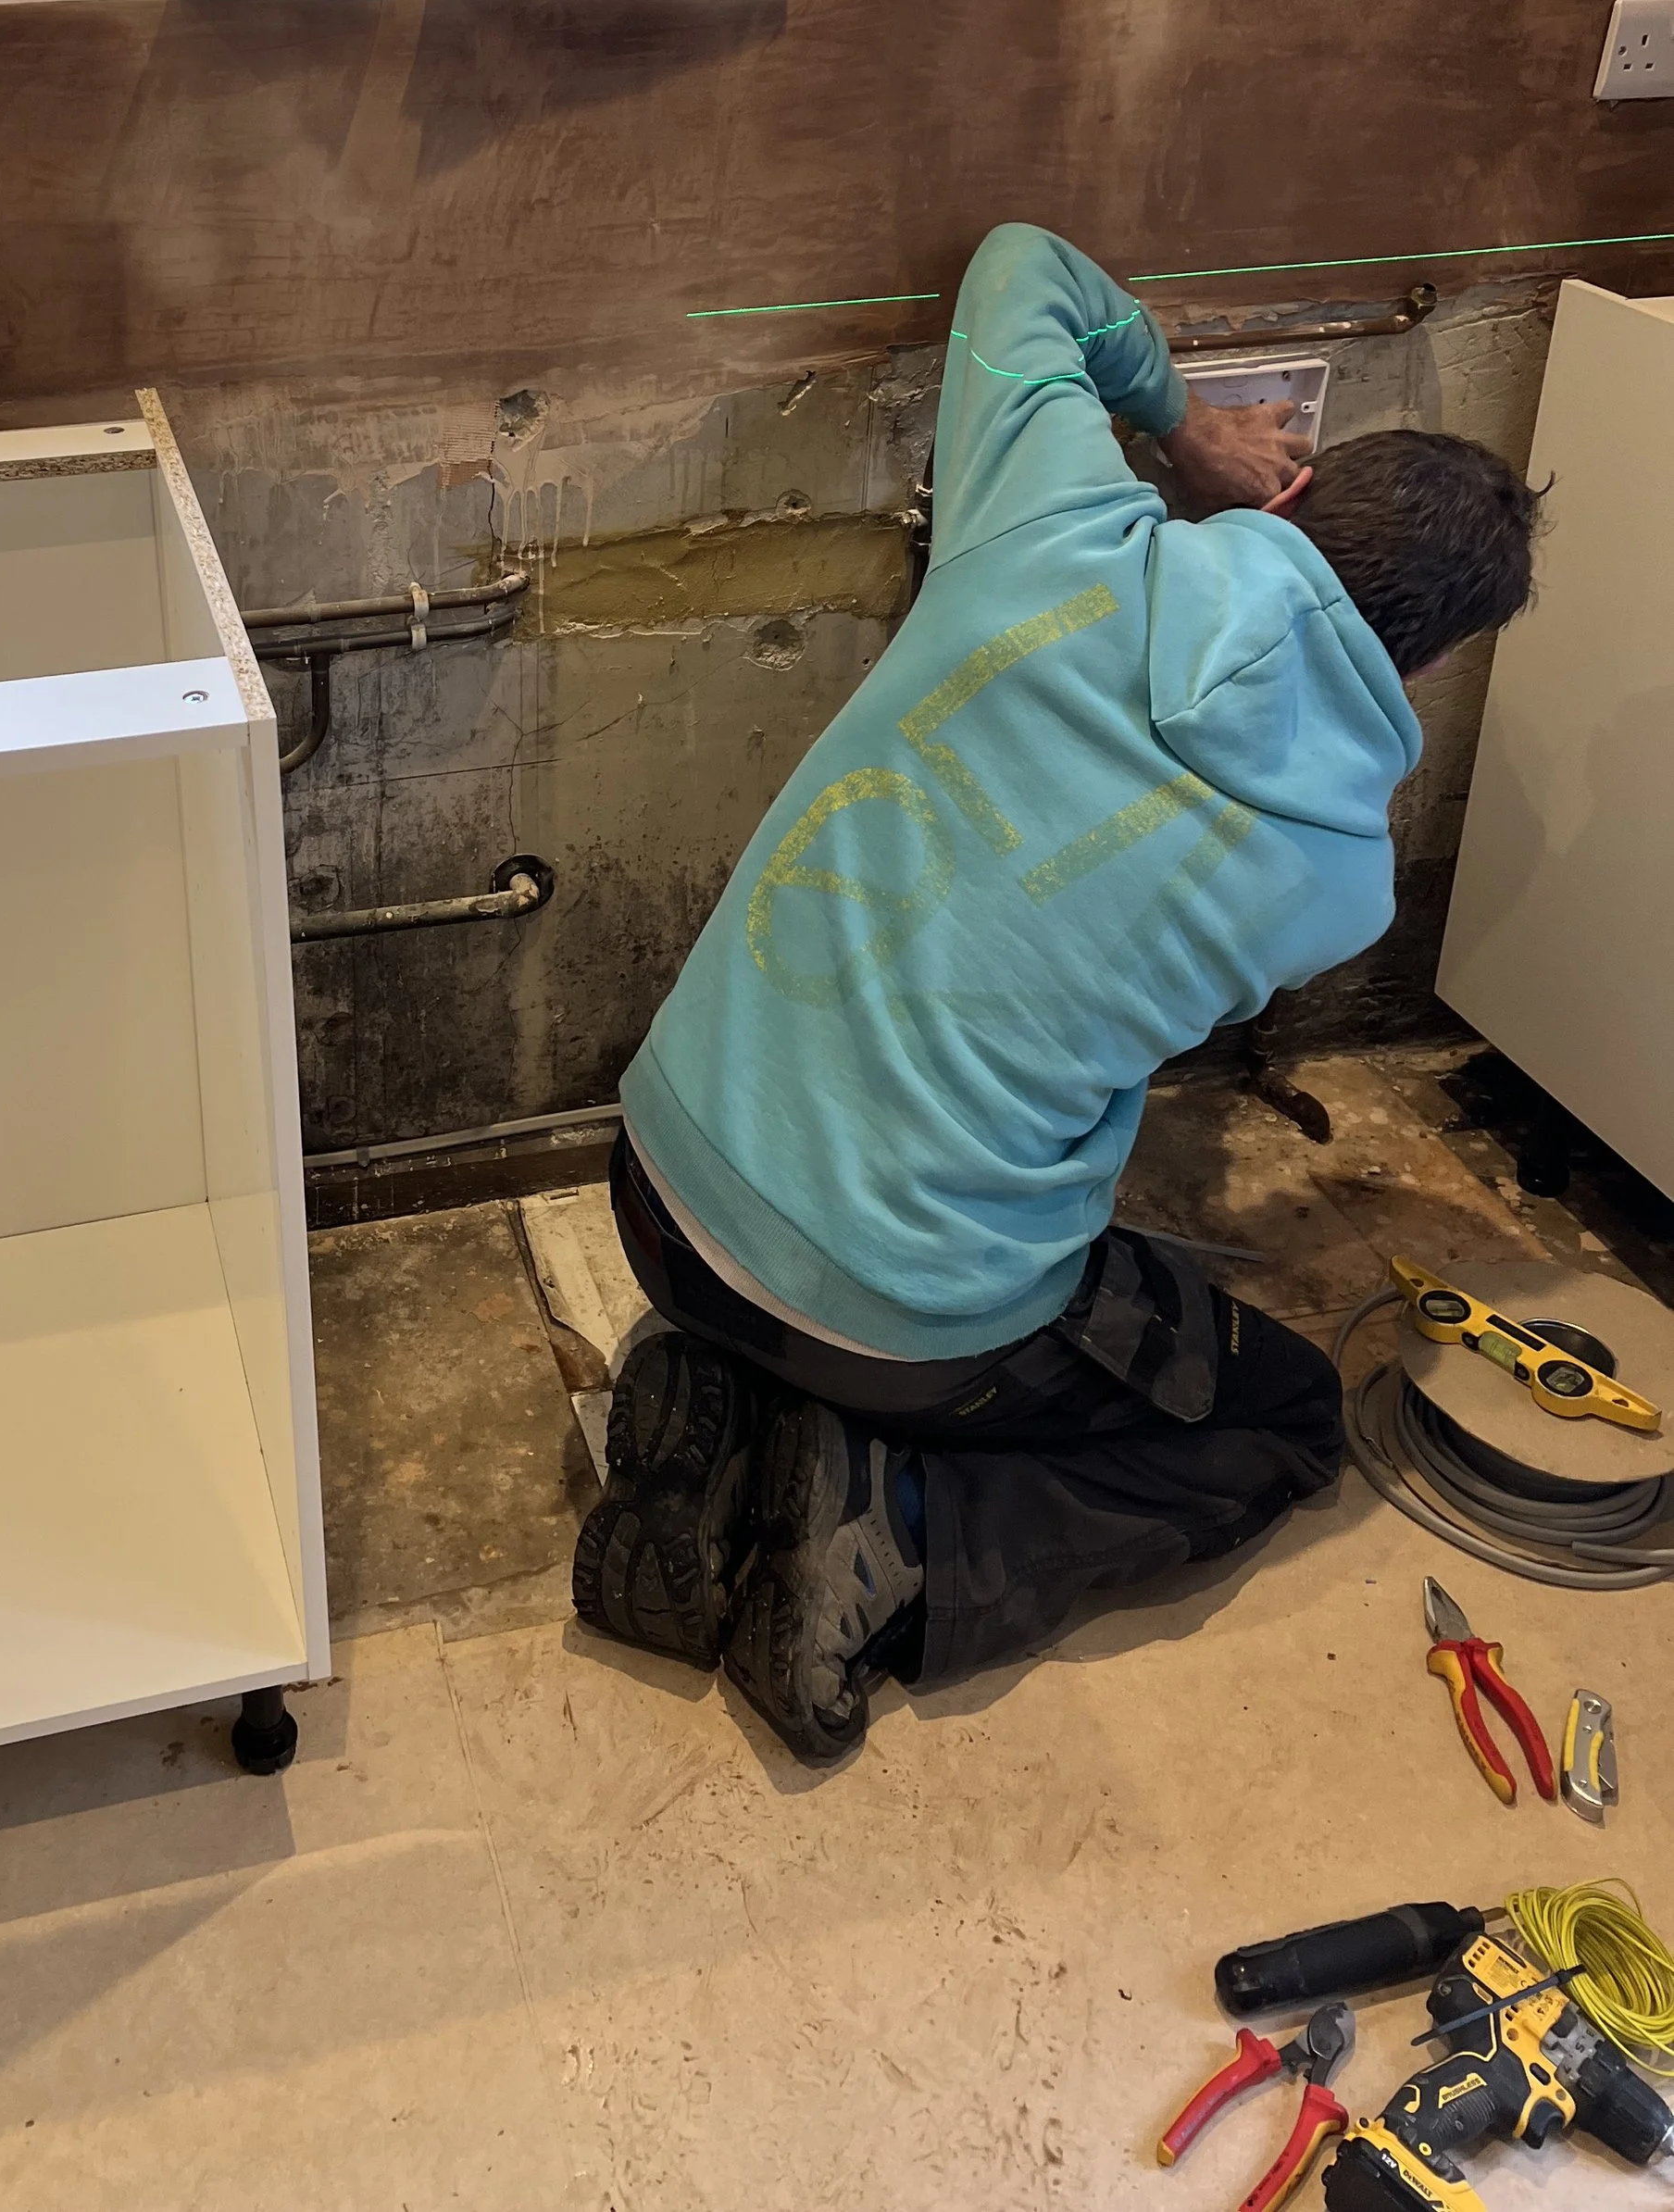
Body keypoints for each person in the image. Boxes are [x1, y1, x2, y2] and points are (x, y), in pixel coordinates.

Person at [575, 222, 1542, 1762]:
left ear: (1286, 494)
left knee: (983, 1255)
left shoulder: (1051, 518)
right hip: (907, 1324)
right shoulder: (1343, 883)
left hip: (653, 1183)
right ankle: (894, 1543)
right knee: (1287, 1420)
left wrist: (1179, 428)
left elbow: (1021, 261)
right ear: (1426, 674)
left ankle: (753, 1416)